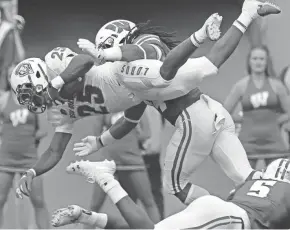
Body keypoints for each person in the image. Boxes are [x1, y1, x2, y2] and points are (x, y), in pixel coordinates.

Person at [14, 0, 279, 206]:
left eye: (30, 93)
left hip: (148, 90)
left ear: (40, 78)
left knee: (175, 184)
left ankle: (208, 31)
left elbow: (84, 61)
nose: (32, 102)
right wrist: (35, 171)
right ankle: (244, 15)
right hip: (182, 103)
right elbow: (58, 149)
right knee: (247, 179)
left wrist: (91, 62)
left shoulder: (61, 65)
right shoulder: (59, 112)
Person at [53, 157, 290, 229]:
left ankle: (88, 217)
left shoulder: (252, 185)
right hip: (231, 220)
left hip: (221, 213)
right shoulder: (285, 193)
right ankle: (105, 177)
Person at [87, 111, 161, 224]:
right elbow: (95, 133)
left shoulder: (137, 106)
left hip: (132, 161)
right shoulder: (106, 107)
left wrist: (129, 137)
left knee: (147, 201)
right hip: (108, 162)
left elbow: (147, 133)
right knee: (95, 205)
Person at [224, 45, 290, 169]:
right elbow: (224, 112)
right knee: (245, 181)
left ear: (266, 62)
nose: (258, 62)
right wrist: (245, 120)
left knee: (277, 182)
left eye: (261, 59)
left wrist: (275, 120)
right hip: (248, 142)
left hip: (274, 142)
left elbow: (289, 111)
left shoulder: (277, 86)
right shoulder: (241, 86)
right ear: (249, 61)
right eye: (255, 59)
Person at [0, 77, 50, 228]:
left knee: (39, 201)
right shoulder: (3, 99)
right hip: (5, 159)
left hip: (29, 159)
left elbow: (43, 130)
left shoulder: (35, 99)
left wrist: (27, 141)